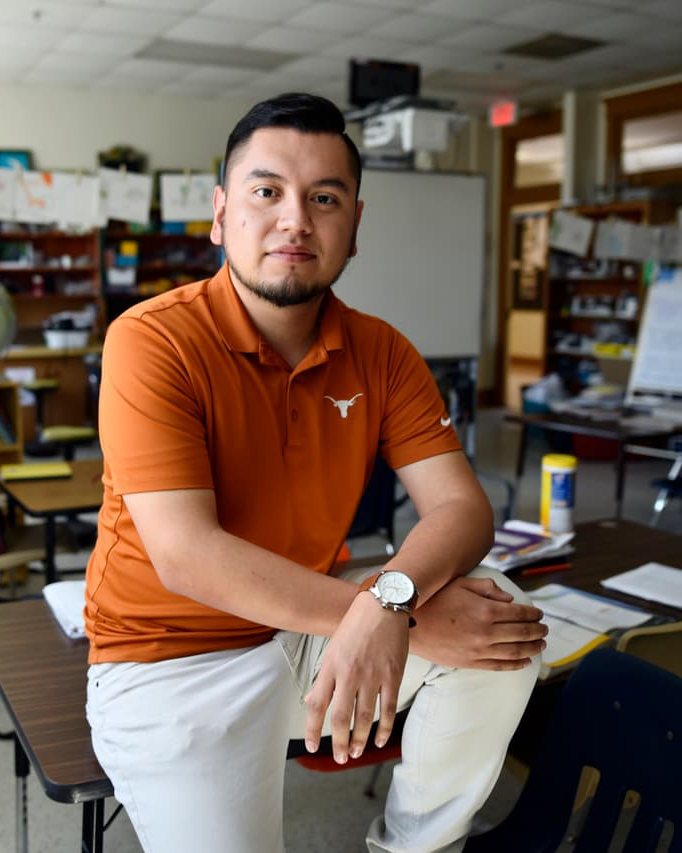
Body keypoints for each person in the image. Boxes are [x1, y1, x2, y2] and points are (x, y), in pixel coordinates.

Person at [83, 92, 547, 853]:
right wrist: (375, 612)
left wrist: (389, 601)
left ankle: (414, 845)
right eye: (267, 192)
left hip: (302, 625)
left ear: (353, 227)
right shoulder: (152, 340)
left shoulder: (382, 350)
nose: (295, 219)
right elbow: (185, 552)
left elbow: (462, 509)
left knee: (502, 628)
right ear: (221, 213)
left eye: (324, 198)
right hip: (168, 663)